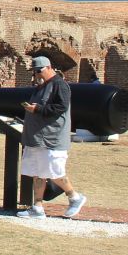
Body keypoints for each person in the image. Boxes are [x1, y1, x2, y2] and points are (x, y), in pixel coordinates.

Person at [16, 55, 86, 219]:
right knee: (37, 172)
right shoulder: (40, 86)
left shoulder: (60, 85)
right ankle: (38, 207)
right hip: (37, 138)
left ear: (49, 68)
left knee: (54, 172)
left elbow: (60, 107)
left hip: (51, 138)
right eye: (34, 71)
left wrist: (38, 109)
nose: (37, 74)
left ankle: (74, 197)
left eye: (39, 71)